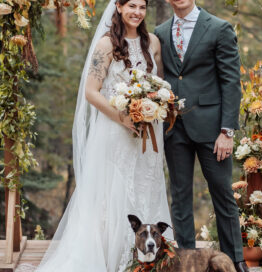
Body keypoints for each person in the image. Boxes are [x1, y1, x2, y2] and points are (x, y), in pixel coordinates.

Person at [36, 0, 172, 271]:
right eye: (131, 5)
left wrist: (152, 107)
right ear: (119, 7)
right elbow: (91, 91)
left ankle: (147, 262)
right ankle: (114, 260)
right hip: (115, 131)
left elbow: (159, 84)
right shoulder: (105, 45)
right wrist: (123, 117)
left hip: (148, 136)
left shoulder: (153, 43)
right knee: (114, 195)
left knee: (146, 189)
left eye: (142, 7)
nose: (137, 12)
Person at [154, 0, 248, 271]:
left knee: (222, 194)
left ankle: (235, 260)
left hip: (212, 129)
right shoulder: (160, 32)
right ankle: (186, 261)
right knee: (180, 196)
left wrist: (227, 131)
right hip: (175, 127)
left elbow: (231, 82)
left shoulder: (219, 28)